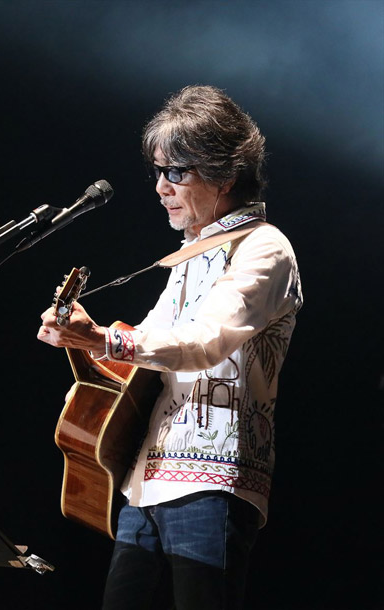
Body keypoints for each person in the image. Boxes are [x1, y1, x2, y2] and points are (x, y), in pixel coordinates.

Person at [37, 84, 303, 610]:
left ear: (225, 175)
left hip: (212, 480)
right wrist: (83, 341)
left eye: (176, 172)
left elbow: (203, 342)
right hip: (145, 478)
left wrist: (103, 338)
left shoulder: (264, 247)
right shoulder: (193, 252)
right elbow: (145, 351)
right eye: (158, 171)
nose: (161, 187)